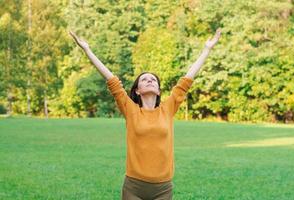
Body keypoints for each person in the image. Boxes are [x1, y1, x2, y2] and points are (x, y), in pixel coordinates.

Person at [69, 28, 221, 200]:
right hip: (134, 187)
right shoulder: (131, 110)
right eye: (144, 79)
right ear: (138, 91)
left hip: (163, 188)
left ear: (157, 90)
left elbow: (187, 80)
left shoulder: (168, 108)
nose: (149, 80)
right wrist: (87, 50)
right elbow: (111, 80)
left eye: (153, 80)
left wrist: (207, 49)